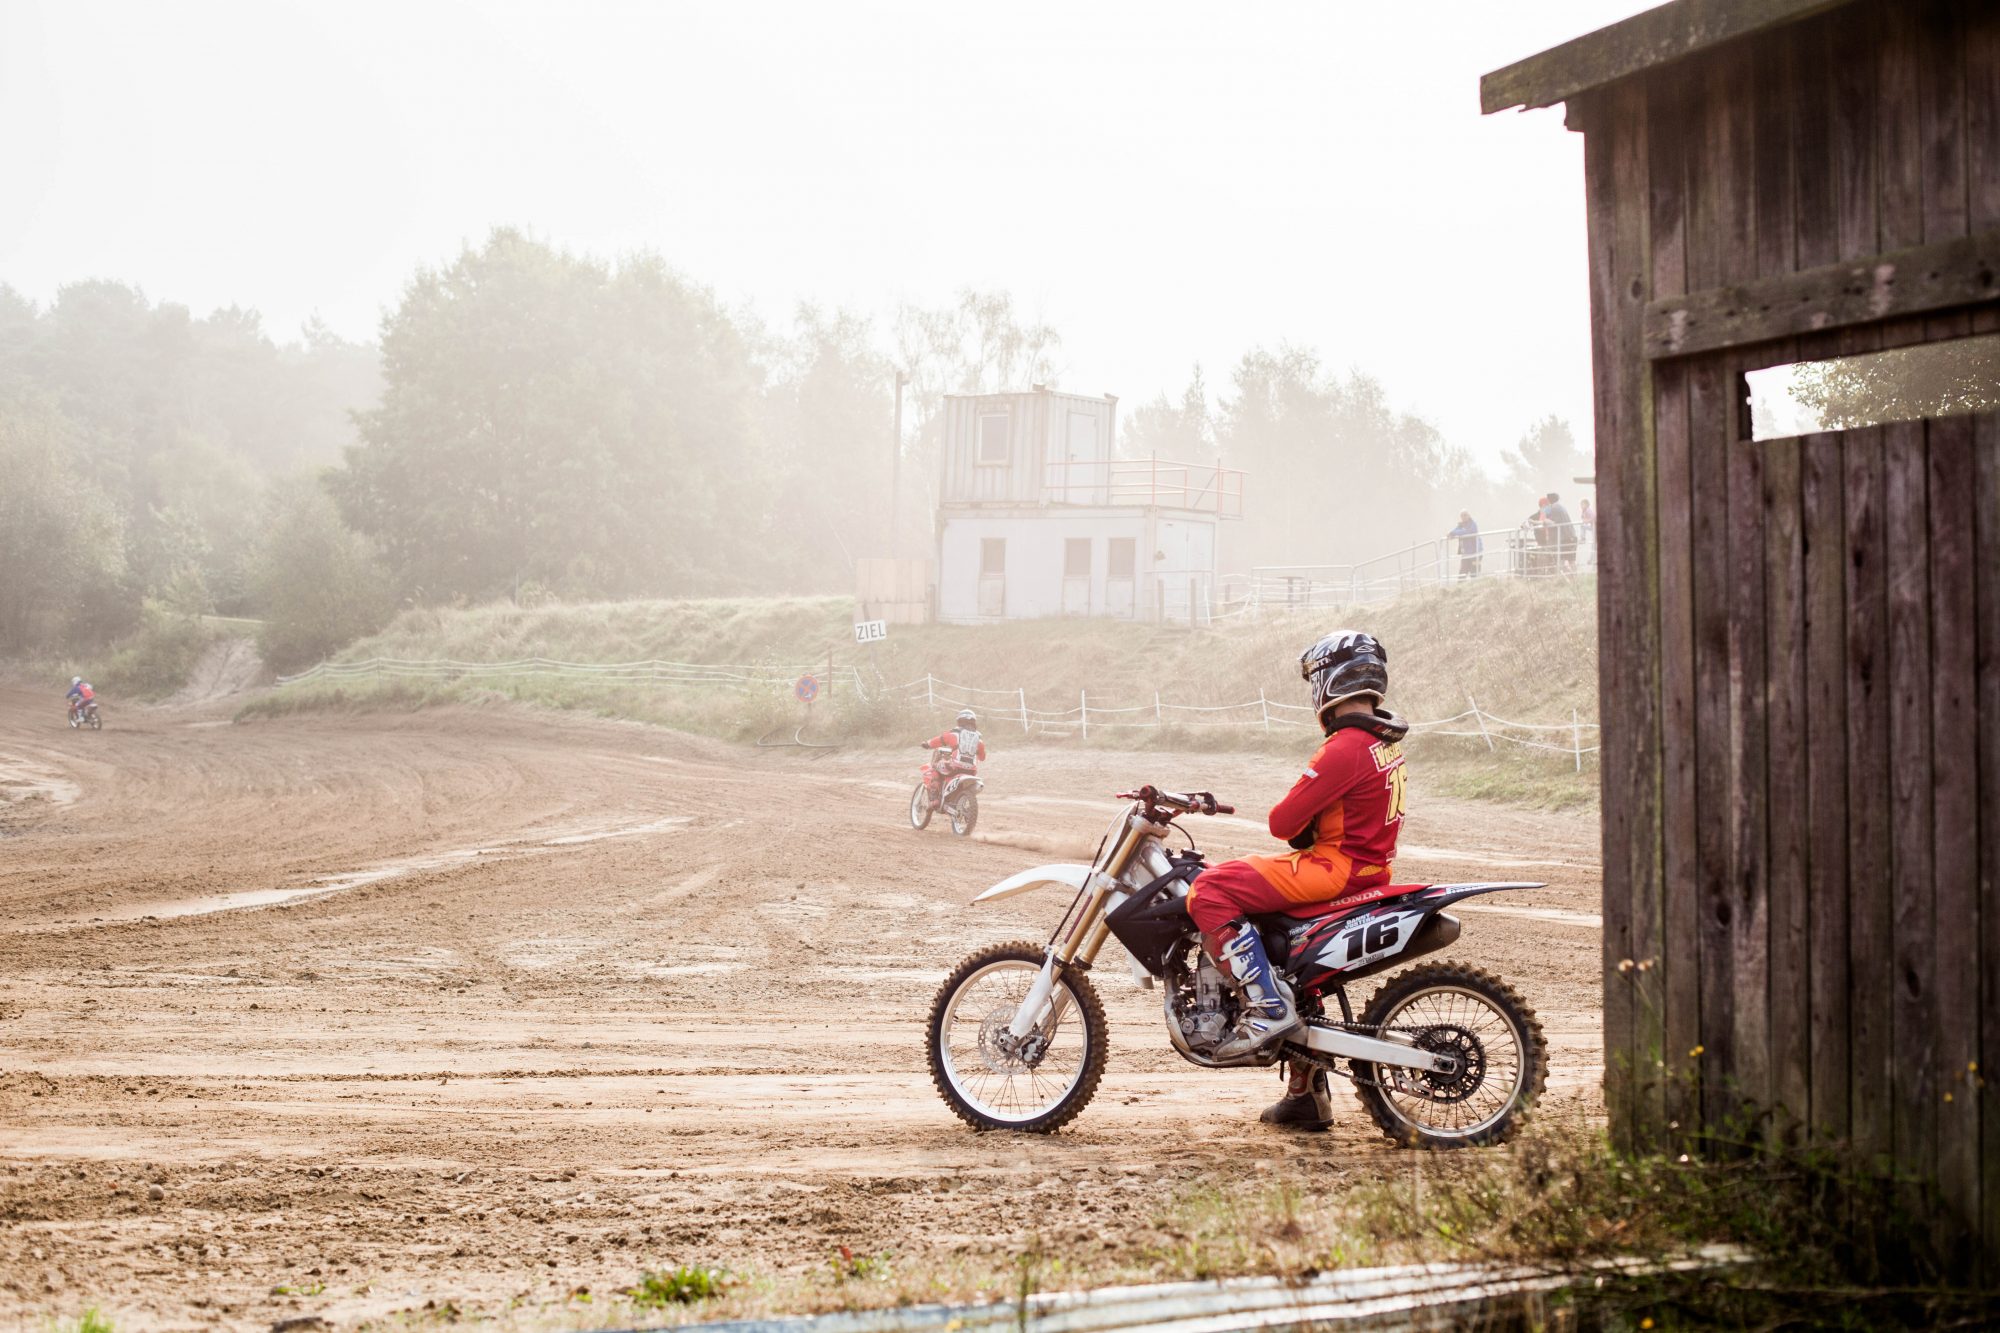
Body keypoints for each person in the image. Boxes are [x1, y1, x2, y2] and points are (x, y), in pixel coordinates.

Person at [1182, 631, 1410, 1127]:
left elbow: (1283, 823)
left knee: (1212, 888)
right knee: (1288, 954)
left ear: (1330, 682)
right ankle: (1306, 1093)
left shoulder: (1345, 748)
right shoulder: (1380, 742)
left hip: (1335, 868)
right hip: (1367, 867)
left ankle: (1266, 1007)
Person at [919, 709, 986, 807]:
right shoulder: (979, 740)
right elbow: (982, 757)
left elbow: (938, 740)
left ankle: (935, 799)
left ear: (959, 721)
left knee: (935, 766)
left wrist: (927, 744)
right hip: (972, 771)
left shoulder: (954, 734)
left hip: (955, 767)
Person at [1544, 491, 1576, 574]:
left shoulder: (1555, 508)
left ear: (1549, 500)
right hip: (1571, 536)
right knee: (1570, 560)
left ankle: (1565, 579)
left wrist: (1547, 521)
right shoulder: (1560, 507)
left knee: (1564, 560)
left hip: (1566, 538)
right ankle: (1574, 579)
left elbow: (1555, 523)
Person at [1445, 511, 1482, 581]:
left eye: (1465, 515)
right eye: (1462, 516)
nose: (1464, 517)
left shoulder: (1473, 525)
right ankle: (1460, 588)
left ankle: (1475, 588)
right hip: (1466, 553)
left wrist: (1453, 533)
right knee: (1462, 573)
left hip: (1476, 553)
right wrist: (1451, 534)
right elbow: (1456, 530)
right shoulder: (1461, 525)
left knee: (1474, 573)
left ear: (1469, 515)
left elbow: (1466, 532)